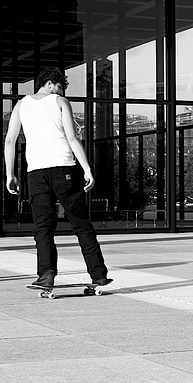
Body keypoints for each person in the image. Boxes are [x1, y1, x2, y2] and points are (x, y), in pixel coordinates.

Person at [4, 67, 112, 288]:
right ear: (51, 83)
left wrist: (9, 174)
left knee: (43, 227)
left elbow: (9, 141)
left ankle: (46, 275)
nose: (62, 91)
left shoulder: (21, 105)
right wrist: (87, 169)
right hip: (63, 168)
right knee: (80, 224)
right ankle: (98, 275)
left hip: (36, 172)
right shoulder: (60, 102)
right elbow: (72, 138)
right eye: (61, 86)